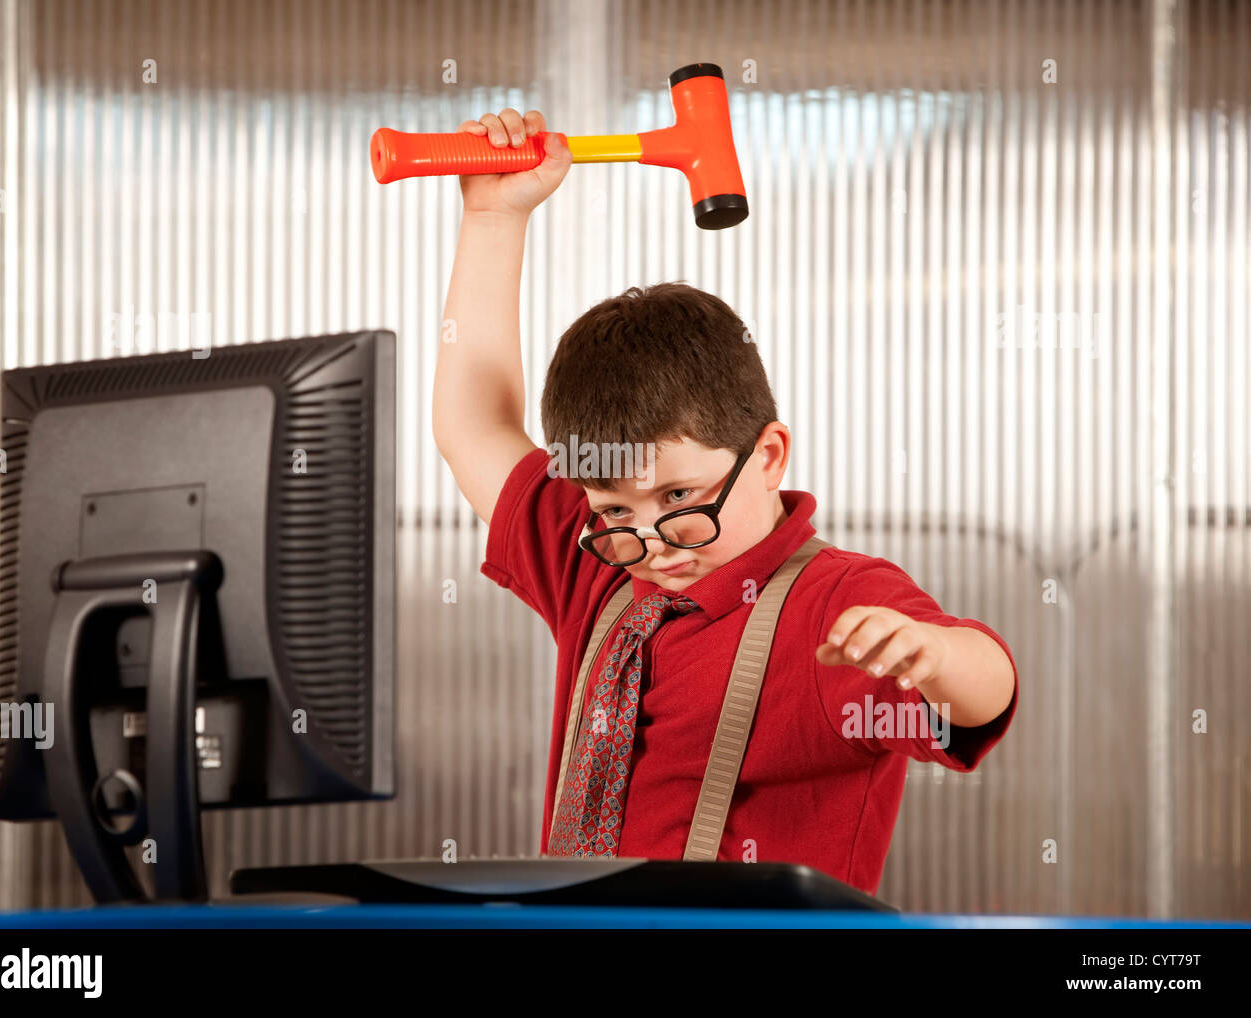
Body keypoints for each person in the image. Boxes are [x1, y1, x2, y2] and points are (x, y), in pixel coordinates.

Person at [432, 108, 1018, 895]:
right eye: (614, 510)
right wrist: (493, 217)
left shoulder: (834, 605)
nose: (654, 540)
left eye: (680, 495)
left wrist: (940, 658)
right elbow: (474, 427)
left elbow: (986, 692)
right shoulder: (600, 568)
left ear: (768, 455)